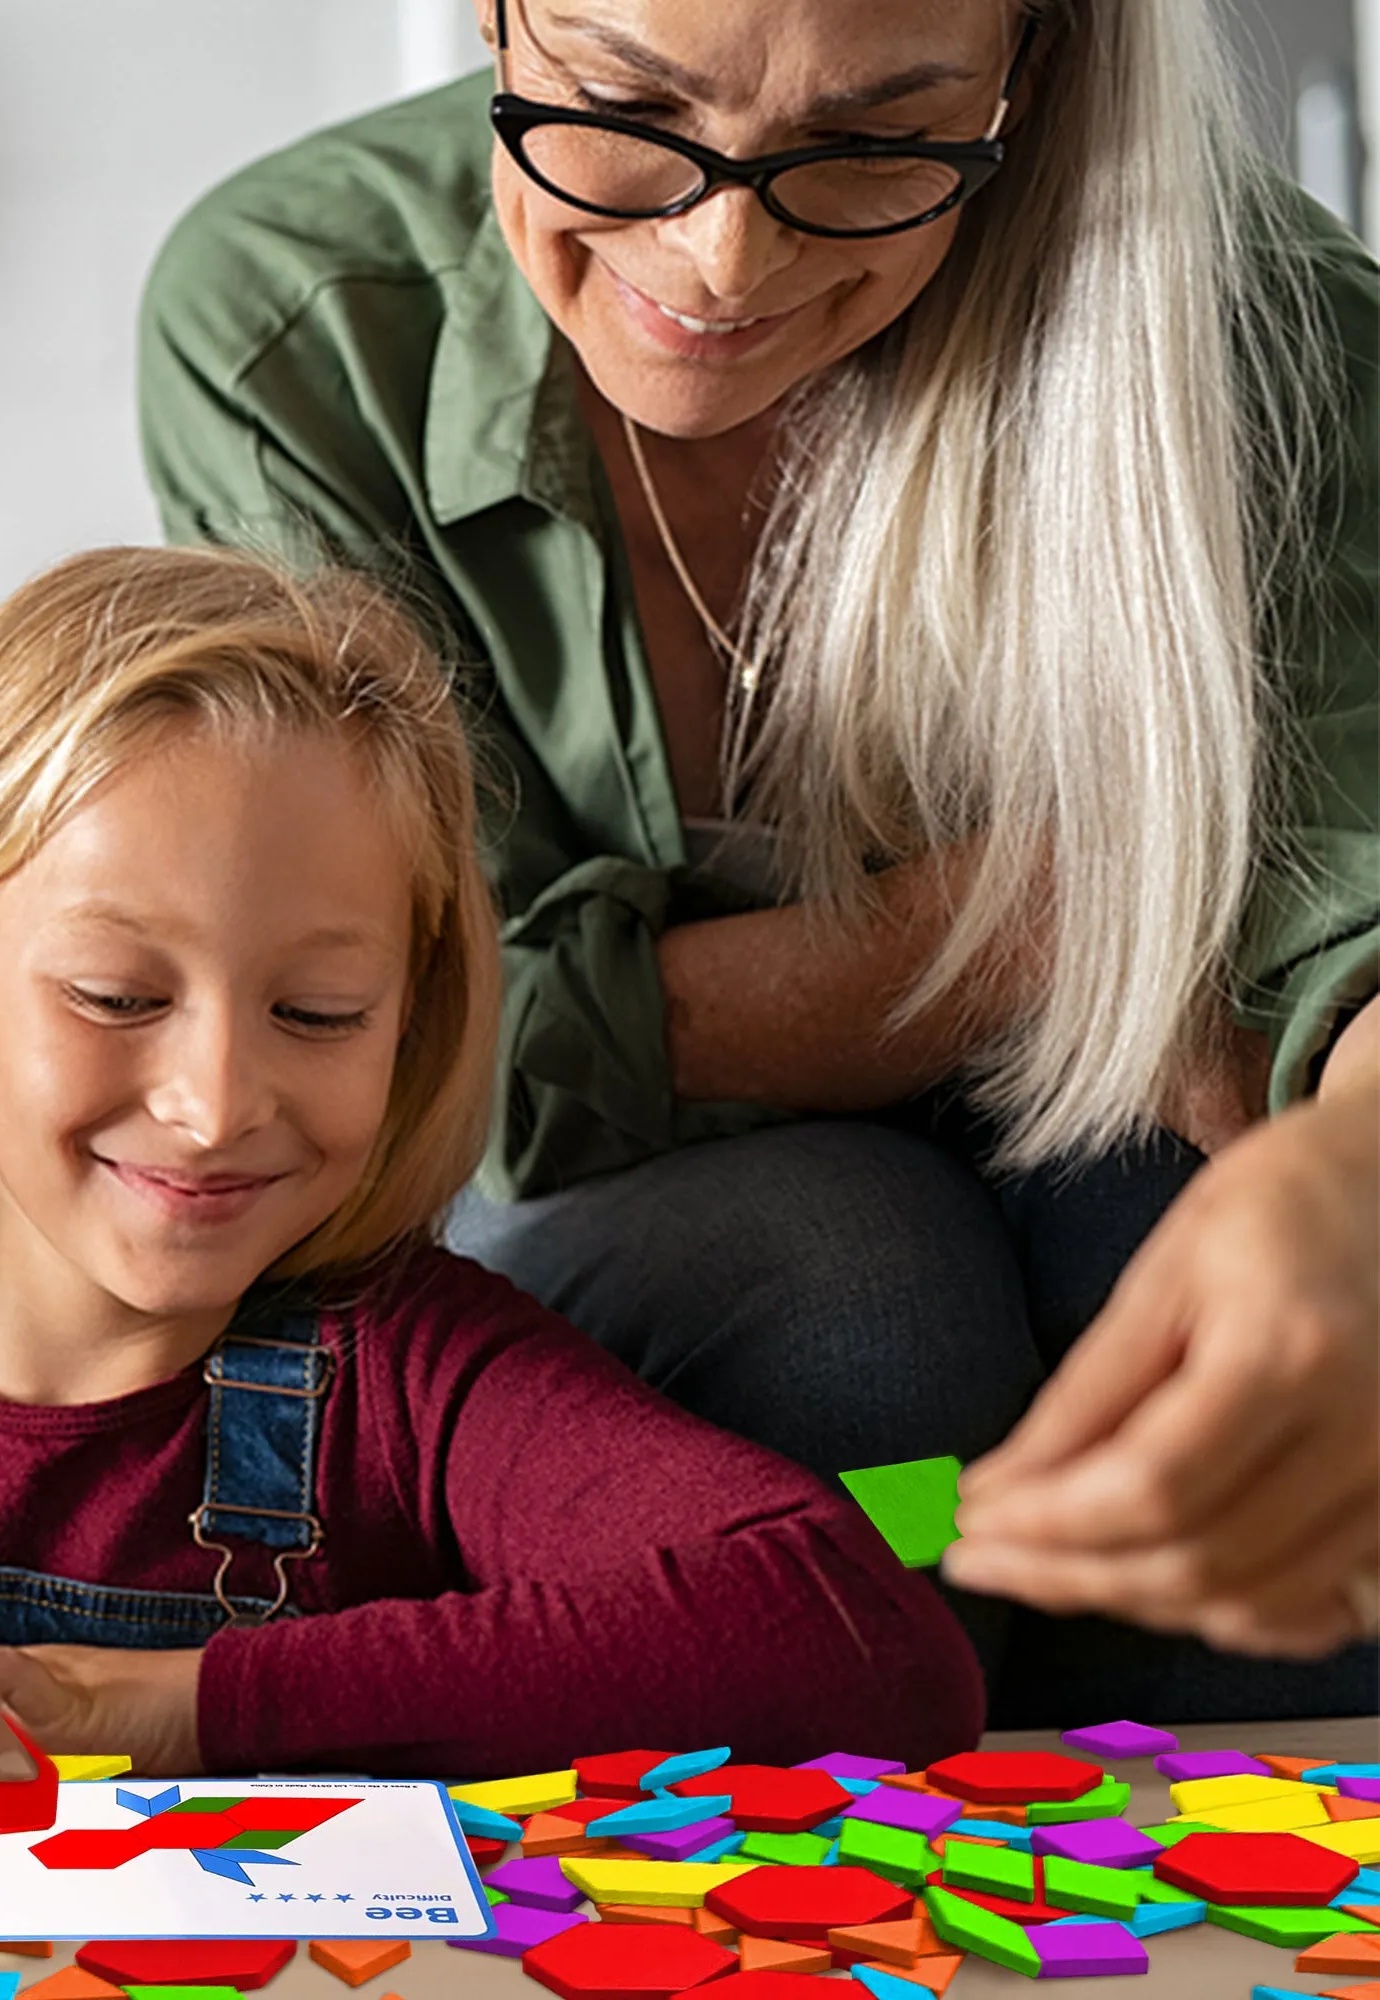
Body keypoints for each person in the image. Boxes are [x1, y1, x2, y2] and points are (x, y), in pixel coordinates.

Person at [137, 0, 1378, 1723]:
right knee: (865, 1320)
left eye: (876, 140)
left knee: (1203, 1326)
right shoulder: (296, 320)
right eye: (628, 107)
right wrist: (1031, 936)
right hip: (681, 1207)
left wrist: (1349, 1185)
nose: (724, 258)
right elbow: (432, 1042)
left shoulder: (1266, 323)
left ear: (1037, 75)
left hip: (1096, 1139)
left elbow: (1341, 915)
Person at [0, 546, 982, 1840]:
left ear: (411, 1015)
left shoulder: (416, 1379)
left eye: (319, 1014)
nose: (216, 1106)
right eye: (116, 997)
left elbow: (850, 1624)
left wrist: (183, 1703)